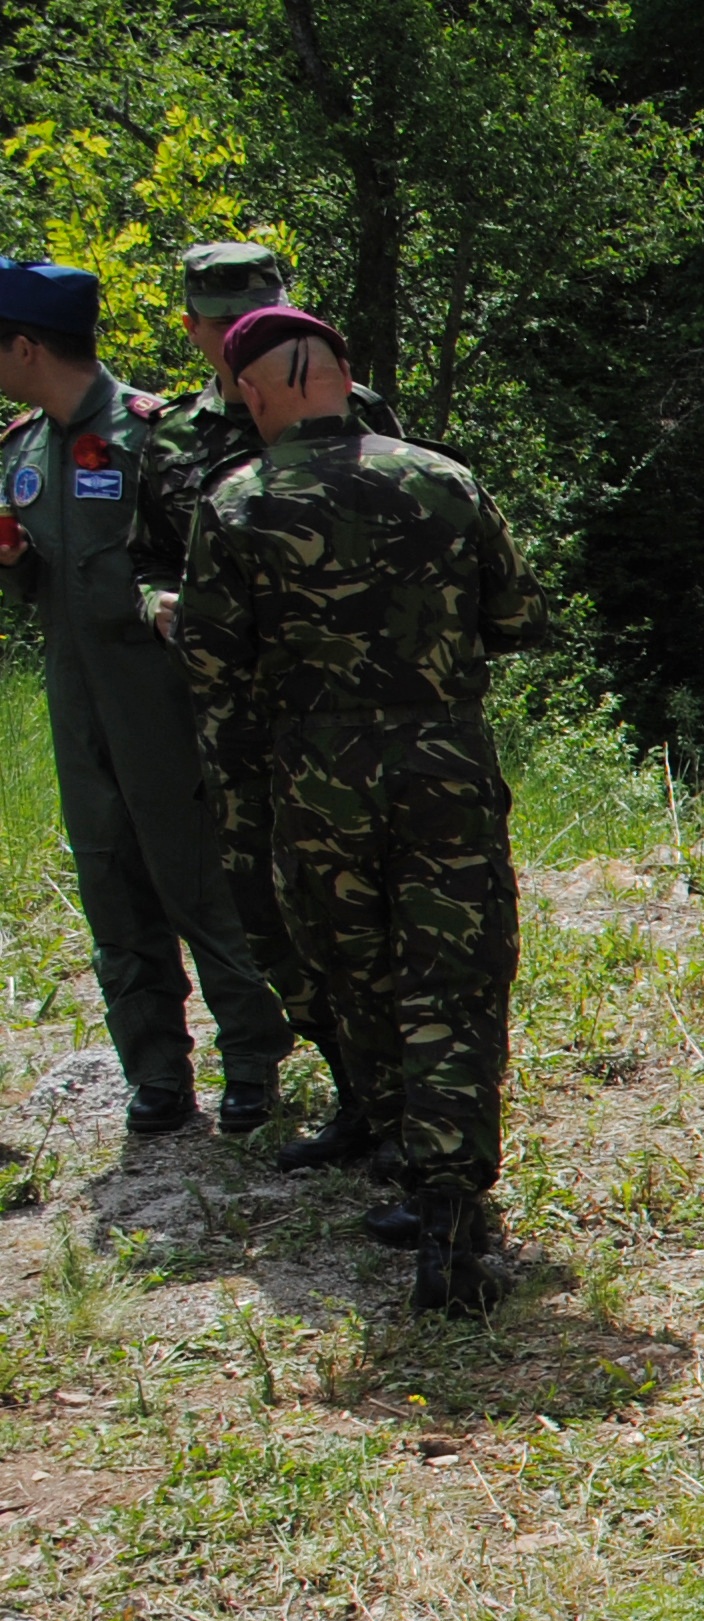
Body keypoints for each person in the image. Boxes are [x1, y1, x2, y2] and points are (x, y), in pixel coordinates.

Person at [173, 303, 543, 1312]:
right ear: (341, 372)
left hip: (319, 781)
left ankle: (398, 1169)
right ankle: (451, 1212)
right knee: (454, 980)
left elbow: (211, 660)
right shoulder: (443, 480)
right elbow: (518, 616)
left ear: (253, 392)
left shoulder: (240, 501)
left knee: (360, 974)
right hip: (443, 764)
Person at [0, 258, 293, 1137]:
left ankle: (252, 1058)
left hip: (164, 703)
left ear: (24, 345)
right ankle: (156, 1072)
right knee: (109, 877)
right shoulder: (20, 449)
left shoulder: (150, 438)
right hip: (77, 702)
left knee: (196, 875)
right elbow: (42, 590)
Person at [134, 243, 403, 1169]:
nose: (243, 331)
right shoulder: (171, 440)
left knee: (376, 913)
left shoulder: (353, 411)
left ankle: (406, 1102)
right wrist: (157, 601)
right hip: (239, 725)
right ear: (194, 329)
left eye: (263, 308)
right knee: (271, 912)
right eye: (223, 319)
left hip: (351, 718)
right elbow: (144, 556)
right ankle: (352, 1088)